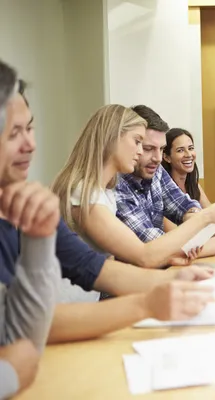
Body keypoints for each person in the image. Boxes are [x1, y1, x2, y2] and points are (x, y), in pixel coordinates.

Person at [2, 79, 215, 344]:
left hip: (78, 321)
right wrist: (149, 300)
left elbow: (95, 266)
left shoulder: (75, 198)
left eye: (29, 129)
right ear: (111, 139)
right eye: (139, 142)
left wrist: (170, 282)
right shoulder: (83, 194)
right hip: (68, 324)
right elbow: (142, 256)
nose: (142, 153)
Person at [53, 104, 215, 274]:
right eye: (139, 143)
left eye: (161, 149)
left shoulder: (104, 191)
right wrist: (208, 219)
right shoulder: (88, 194)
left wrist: (170, 261)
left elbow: (114, 264)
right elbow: (146, 255)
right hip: (80, 305)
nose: (158, 158)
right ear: (112, 140)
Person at [114, 105, 215, 254]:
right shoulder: (117, 187)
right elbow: (155, 248)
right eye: (148, 148)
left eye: (161, 149)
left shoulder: (156, 171)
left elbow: (182, 205)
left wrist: (206, 220)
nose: (157, 158)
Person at [0, 61, 60, 399]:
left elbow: (20, 345)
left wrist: (39, 237)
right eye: (13, 134)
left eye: (30, 128)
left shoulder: (24, 202)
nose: (31, 145)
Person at [162, 127, 210, 208]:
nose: (188, 155)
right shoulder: (162, 188)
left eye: (191, 148)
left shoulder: (194, 184)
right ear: (167, 157)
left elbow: (210, 211)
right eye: (180, 150)